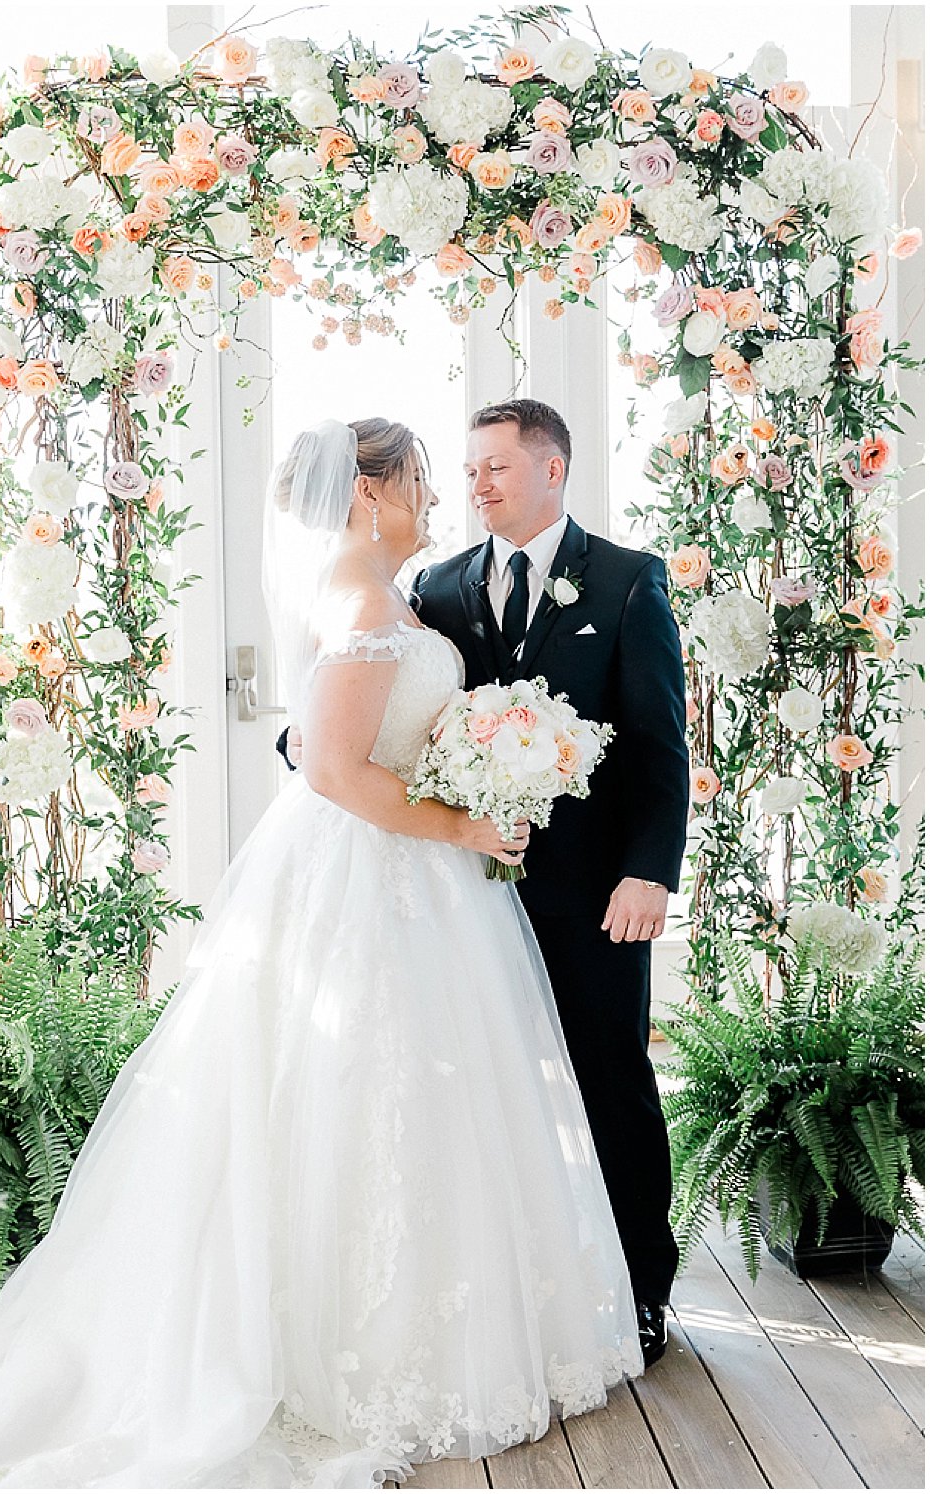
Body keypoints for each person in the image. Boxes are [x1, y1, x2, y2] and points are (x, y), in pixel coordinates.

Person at [0, 418, 642, 1492]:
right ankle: (349, 1351)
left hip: (418, 879)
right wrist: (459, 827)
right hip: (376, 873)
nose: (434, 495)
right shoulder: (361, 598)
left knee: (421, 1097)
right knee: (363, 1089)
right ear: (369, 492)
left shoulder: (386, 589)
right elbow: (329, 770)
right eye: (415, 478)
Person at [411, 400, 689, 1366]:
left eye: (494, 466)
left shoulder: (623, 581)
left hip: (595, 897)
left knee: (613, 1084)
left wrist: (650, 871)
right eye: (470, 468)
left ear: (553, 468)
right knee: (477, 1093)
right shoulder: (438, 586)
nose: (476, 484)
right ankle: (510, 1299)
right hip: (466, 894)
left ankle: (644, 1293)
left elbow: (659, 747)